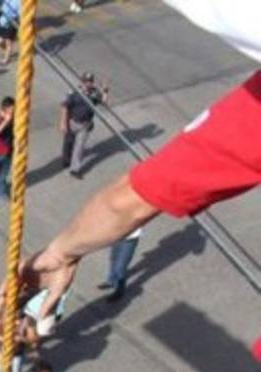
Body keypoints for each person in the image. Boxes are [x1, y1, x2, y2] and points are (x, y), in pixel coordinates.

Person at [20, 73, 261, 326]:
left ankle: (117, 282)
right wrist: (61, 254)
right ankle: (116, 281)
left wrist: (60, 254)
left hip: (125, 229)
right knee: (118, 263)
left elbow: (133, 198)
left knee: (120, 263)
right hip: (123, 227)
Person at [60, 72, 109, 178]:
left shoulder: (94, 93)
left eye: (91, 81)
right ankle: (66, 160)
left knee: (79, 147)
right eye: (86, 81)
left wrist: (105, 91)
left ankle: (75, 169)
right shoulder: (73, 91)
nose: (89, 83)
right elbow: (65, 107)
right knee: (68, 143)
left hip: (85, 125)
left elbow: (104, 103)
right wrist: (63, 123)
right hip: (72, 122)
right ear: (82, 81)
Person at [101, 227, 143, 303]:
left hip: (130, 238)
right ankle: (111, 281)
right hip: (117, 234)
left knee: (120, 266)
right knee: (113, 258)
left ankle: (119, 289)